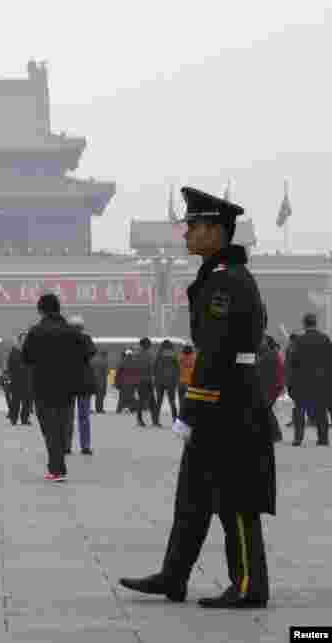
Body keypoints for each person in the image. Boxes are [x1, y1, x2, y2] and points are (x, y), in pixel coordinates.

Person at [120, 186, 273, 609]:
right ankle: (174, 575)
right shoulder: (218, 276)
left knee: (237, 501)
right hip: (220, 403)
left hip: (230, 406)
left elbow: (218, 352)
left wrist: (191, 410)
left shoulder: (227, 283)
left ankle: (248, 586)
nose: (186, 233)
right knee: (194, 497)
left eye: (193, 226)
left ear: (216, 231)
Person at [22, 293, 92, 482]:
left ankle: (57, 468)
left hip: (43, 386)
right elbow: (86, 354)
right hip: (68, 386)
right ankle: (58, 462)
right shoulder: (72, 332)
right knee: (62, 424)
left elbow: (26, 358)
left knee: (50, 428)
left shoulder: (35, 332)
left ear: (41, 310)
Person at [288, 312, 331, 446]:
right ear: (315, 323)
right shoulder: (325, 339)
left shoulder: (299, 341)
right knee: (321, 411)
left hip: (302, 382)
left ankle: (298, 438)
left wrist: (291, 383)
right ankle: (323, 438)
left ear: (304, 324)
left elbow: (292, 363)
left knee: (300, 410)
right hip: (321, 382)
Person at [67, 315, 97, 455]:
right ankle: (85, 446)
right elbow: (92, 352)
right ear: (82, 327)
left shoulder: (64, 340)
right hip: (85, 382)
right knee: (84, 416)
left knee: (68, 416)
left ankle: (66, 446)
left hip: (69, 382)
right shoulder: (87, 339)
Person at [6, 334, 32, 425]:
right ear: (19, 340)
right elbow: (10, 366)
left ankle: (25, 419)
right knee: (15, 401)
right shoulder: (14, 352)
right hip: (16, 380)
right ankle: (13, 418)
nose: (25, 341)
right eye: (23, 339)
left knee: (27, 402)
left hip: (28, 380)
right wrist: (11, 376)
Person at [133, 338, 160, 427]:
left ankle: (139, 420)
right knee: (152, 401)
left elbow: (135, 368)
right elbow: (152, 367)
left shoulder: (136, 355)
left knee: (140, 401)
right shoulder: (149, 355)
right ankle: (155, 421)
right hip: (147, 380)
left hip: (139, 381)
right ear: (147, 345)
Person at [153, 339, 181, 420]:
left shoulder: (158, 355)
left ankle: (155, 419)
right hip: (171, 381)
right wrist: (176, 379)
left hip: (159, 381)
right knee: (172, 401)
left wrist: (155, 379)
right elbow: (178, 369)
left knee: (159, 401)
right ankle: (175, 419)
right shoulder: (174, 355)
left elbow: (154, 368)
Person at [178, 345, 196, 413]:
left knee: (181, 400)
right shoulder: (194, 358)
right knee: (190, 401)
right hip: (190, 383)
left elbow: (177, 369)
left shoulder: (180, 358)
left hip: (181, 382)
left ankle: (181, 413)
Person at [90, 350, 109, 414]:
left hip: (92, 381)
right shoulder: (104, 361)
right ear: (105, 355)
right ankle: (99, 409)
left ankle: (89, 409)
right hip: (101, 381)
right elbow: (107, 373)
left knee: (89, 397)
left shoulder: (93, 360)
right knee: (100, 396)